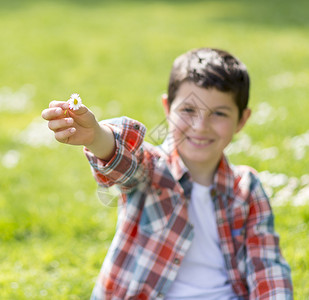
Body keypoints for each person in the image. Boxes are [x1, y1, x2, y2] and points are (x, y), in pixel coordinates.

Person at [42, 48, 293, 299]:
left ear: (241, 119)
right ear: (167, 107)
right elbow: (125, 161)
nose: (200, 126)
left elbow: (267, 268)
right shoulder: (152, 168)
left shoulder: (247, 189)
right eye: (188, 110)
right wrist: (97, 136)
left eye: (219, 113)